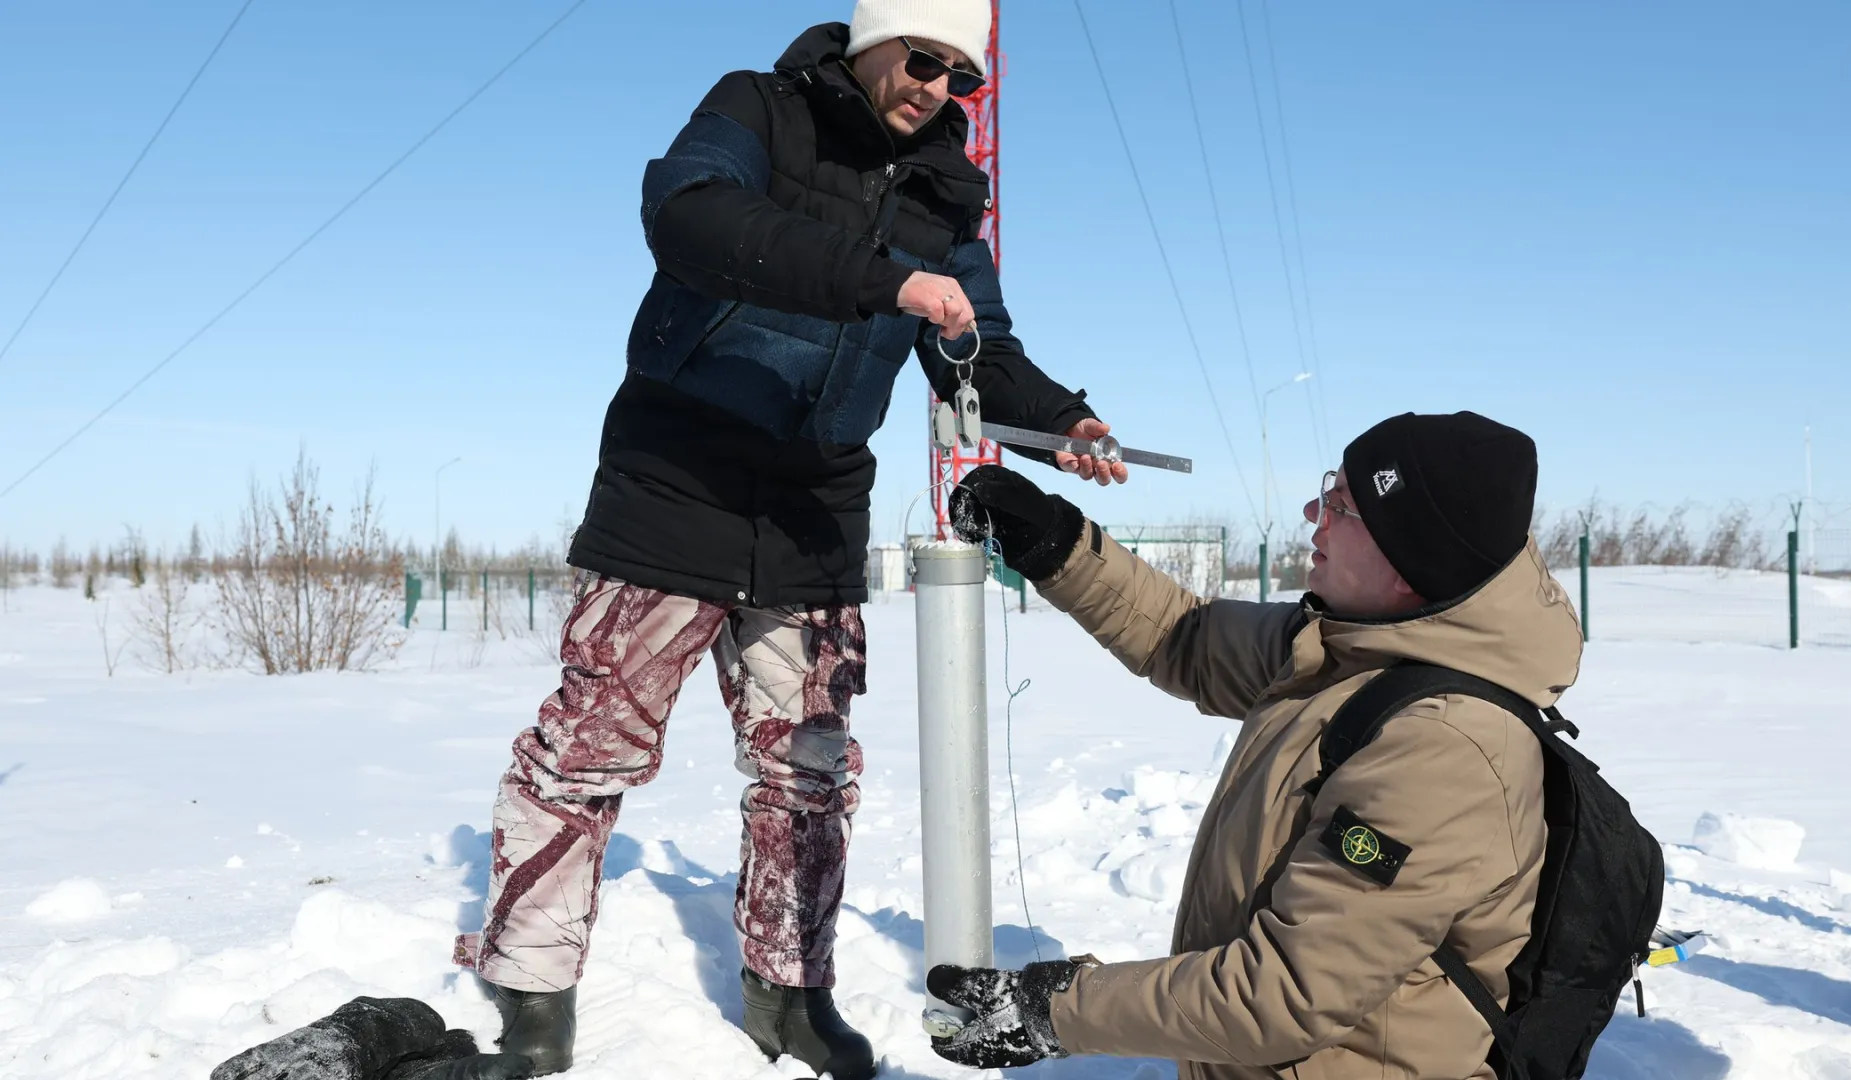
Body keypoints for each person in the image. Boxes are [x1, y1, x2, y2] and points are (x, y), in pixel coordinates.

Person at [451, 3, 1127, 1077]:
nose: (937, 87)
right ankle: (532, 988)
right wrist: (881, 279)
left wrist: (1062, 423)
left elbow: (979, 342)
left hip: (814, 507)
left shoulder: (951, 191)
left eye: (963, 76)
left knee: (809, 773)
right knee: (589, 751)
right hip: (676, 477)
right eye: (923, 58)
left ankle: (788, 991)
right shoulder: (757, 110)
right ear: (870, 44)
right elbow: (690, 217)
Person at [932, 412, 1582, 1080]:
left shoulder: (1445, 749)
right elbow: (1189, 640)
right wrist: (1059, 548)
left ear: (1408, 560)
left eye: (1342, 505)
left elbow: (1281, 995)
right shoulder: (1355, 644)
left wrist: (1056, 1011)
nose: (1312, 512)